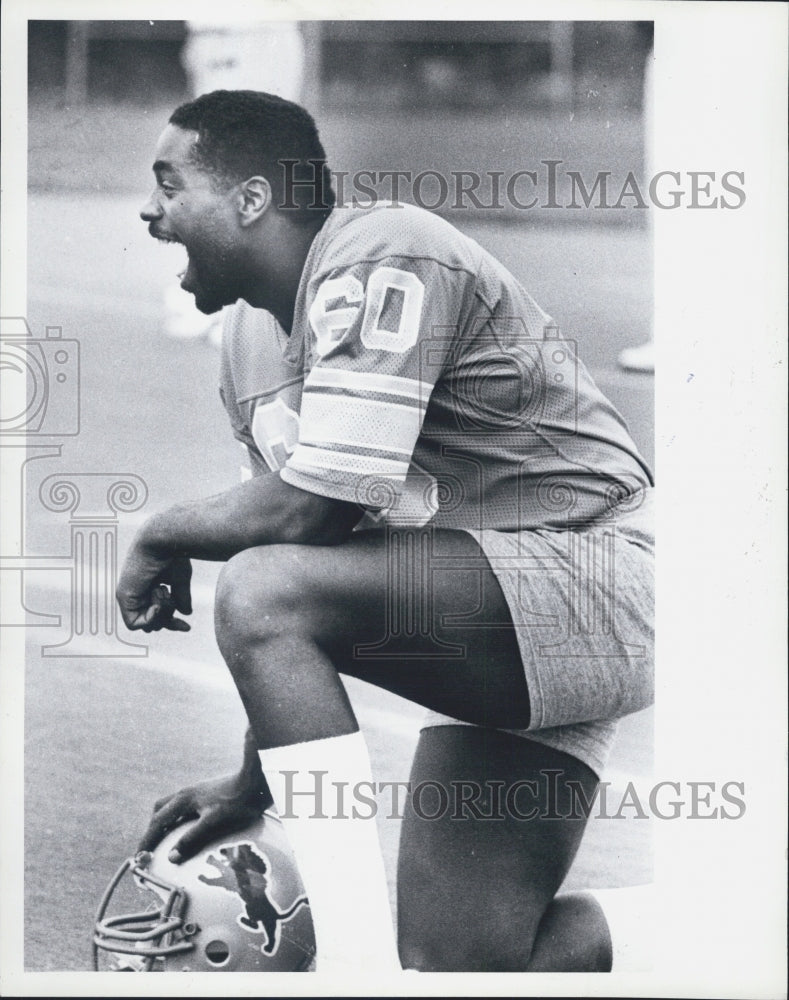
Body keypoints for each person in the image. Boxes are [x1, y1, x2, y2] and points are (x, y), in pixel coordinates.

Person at [118, 89, 655, 974]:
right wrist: (257, 781)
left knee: (261, 584)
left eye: (169, 185)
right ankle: (730, 921)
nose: (148, 210)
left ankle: (351, 972)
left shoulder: (381, 247)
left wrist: (159, 533)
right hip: (509, 611)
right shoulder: (248, 341)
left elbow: (310, 516)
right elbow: (304, 550)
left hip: (594, 576)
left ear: (252, 200)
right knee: (461, 963)